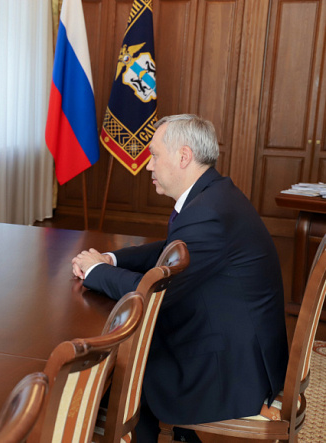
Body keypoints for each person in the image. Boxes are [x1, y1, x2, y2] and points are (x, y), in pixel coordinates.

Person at [71, 114, 288, 442]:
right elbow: (172, 251)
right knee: (130, 358)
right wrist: (111, 259)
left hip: (231, 368)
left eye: (155, 155)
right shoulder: (214, 195)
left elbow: (155, 293)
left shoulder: (208, 211)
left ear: (184, 156)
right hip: (236, 341)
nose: (148, 166)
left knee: (127, 372)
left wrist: (95, 272)